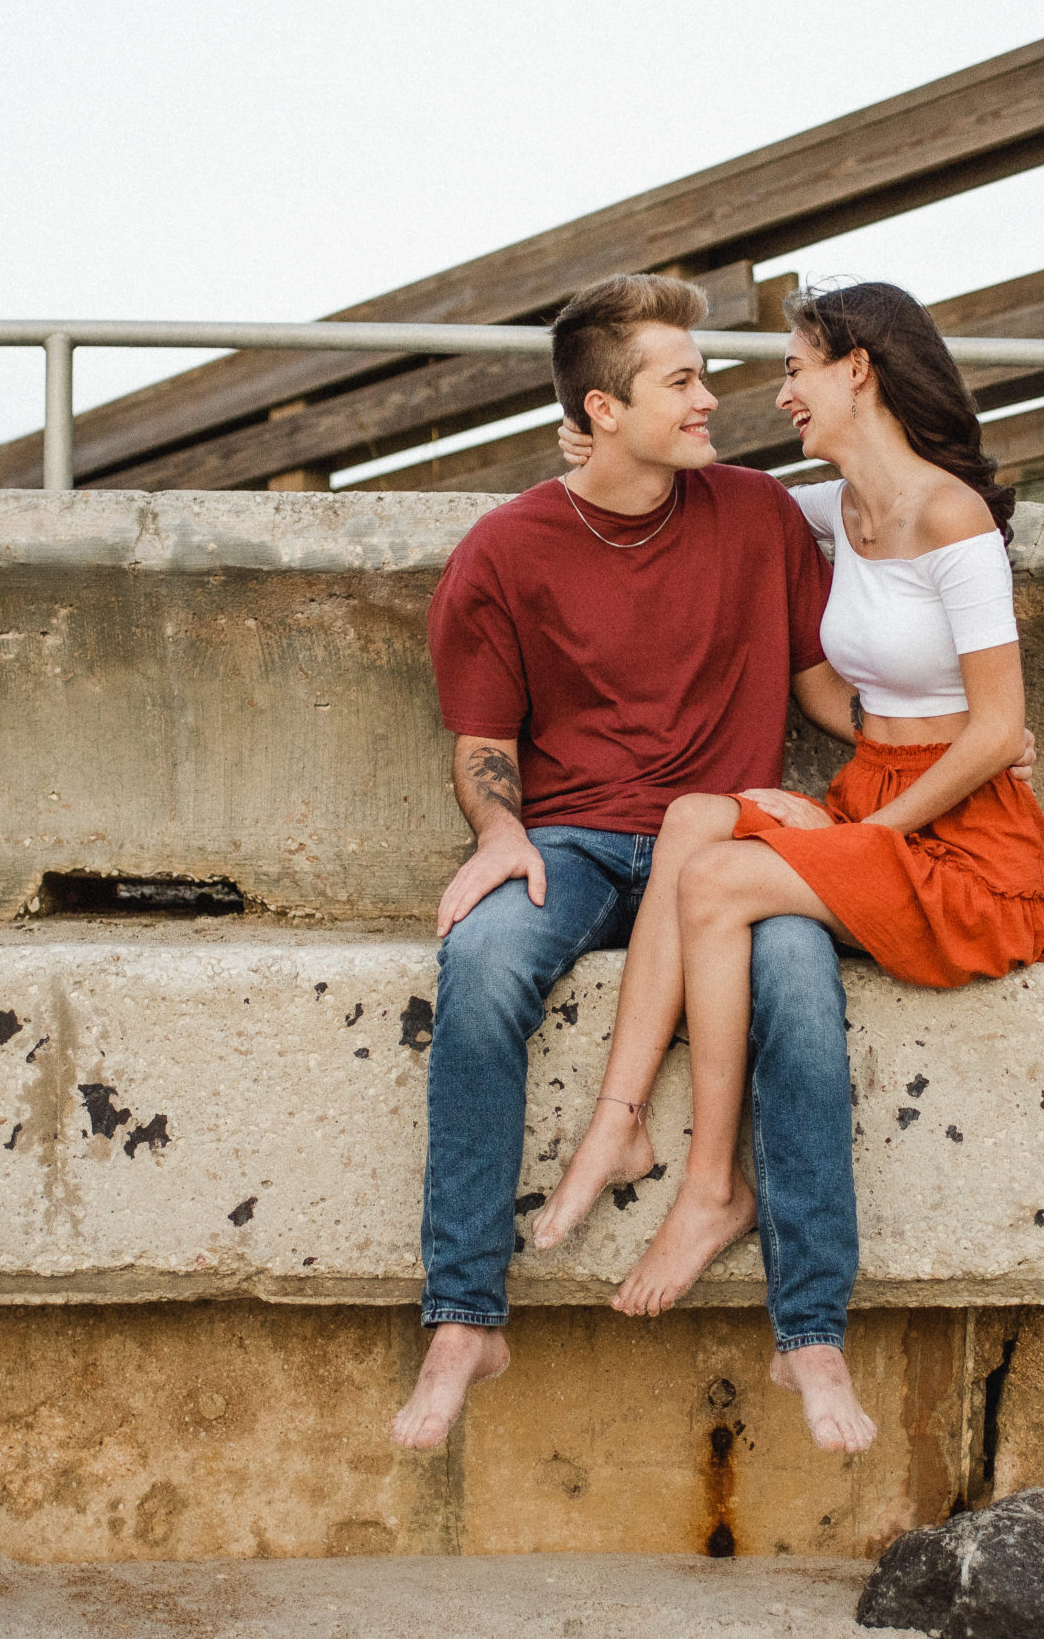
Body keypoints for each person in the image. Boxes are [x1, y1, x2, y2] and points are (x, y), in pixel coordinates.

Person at [532, 280, 1044, 1323]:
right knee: (691, 818)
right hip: (872, 793)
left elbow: (990, 729)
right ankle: (619, 1117)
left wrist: (858, 835)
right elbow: (686, 495)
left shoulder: (952, 514)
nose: (781, 392)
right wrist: (595, 444)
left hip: (960, 837)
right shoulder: (824, 510)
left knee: (717, 878)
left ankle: (714, 1187)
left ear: (857, 368)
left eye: (795, 368)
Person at [392, 272, 881, 1456]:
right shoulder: (504, 550)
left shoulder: (758, 514)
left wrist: (953, 744)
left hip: (721, 847)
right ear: (602, 410)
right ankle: (463, 1317)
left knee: (804, 994)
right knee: (482, 962)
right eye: (684, 381)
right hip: (572, 840)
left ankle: (810, 1327)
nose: (712, 400)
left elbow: (824, 690)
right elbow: (484, 747)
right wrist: (501, 834)